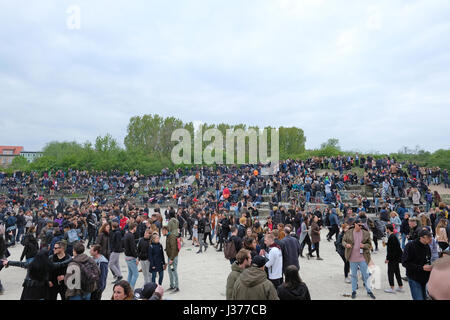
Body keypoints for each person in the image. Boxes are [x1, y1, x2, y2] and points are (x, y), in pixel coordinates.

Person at [2, 248, 71, 300]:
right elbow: (61, 264)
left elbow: (20, 264)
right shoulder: (48, 265)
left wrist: (9, 262)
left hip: (29, 287)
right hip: (41, 288)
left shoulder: (32, 263)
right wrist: (71, 259)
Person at [342, 217, 376, 299]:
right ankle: (354, 291)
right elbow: (343, 241)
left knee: (366, 275)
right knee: (353, 275)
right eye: (359, 225)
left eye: (362, 225)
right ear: (355, 224)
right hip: (352, 258)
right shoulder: (348, 232)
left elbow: (370, 245)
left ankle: (369, 291)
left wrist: (364, 245)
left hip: (362, 258)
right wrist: (346, 245)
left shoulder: (366, 233)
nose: (360, 227)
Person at [402, 228, 433, 300]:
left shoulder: (427, 246)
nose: (431, 238)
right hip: (414, 278)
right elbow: (405, 263)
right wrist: (421, 268)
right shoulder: (410, 246)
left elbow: (427, 260)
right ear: (421, 238)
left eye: (431, 236)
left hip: (425, 278)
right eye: (428, 237)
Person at [384, 224, 404, 294]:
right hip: (396, 258)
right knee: (397, 272)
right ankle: (400, 286)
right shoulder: (394, 236)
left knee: (390, 272)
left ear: (388, 229)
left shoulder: (391, 237)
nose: (385, 230)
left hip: (392, 258)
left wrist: (387, 258)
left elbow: (391, 250)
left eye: (386, 228)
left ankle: (392, 287)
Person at [162, 225, 180, 293]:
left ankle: (177, 286)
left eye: (162, 231)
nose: (162, 232)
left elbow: (174, 248)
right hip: (170, 257)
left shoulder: (171, 236)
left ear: (165, 230)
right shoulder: (168, 236)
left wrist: (171, 259)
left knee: (174, 271)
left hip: (173, 258)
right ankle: (172, 285)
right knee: (170, 271)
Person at [123, 222, 139, 289]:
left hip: (127, 256)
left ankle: (127, 288)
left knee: (130, 273)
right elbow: (133, 248)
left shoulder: (126, 235)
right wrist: (136, 257)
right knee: (136, 274)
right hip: (131, 257)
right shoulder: (131, 236)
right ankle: (131, 289)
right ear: (134, 227)